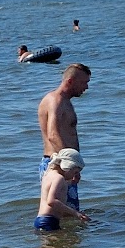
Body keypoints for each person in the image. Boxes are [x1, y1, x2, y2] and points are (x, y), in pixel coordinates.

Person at [37, 63, 91, 218]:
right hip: (59, 164)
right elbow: (52, 134)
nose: (86, 87)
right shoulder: (56, 101)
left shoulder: (63, 101)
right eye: (84, 83)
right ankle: (50, 240)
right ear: (70, 81)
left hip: (62, 165)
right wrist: (69, 165)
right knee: (63, 215)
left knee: (66, 215)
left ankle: (60, 242)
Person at [34, 149, 89, 231]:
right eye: (75, 172)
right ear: (68, 167)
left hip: (42, 219)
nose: (75, 176)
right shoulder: (59, 178)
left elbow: (60, 190)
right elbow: (51, 201)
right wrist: (75, 213)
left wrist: (72, 182)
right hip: (48, 221)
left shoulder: (49, 174)